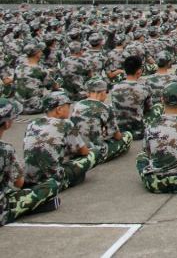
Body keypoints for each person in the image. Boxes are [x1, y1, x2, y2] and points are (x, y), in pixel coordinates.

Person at [1, 97, 60, 226]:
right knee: (51, 185)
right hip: (2, 209)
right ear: (7, 124)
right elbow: (18, 183)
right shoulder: (6, 150)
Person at [23, 91, 96, 190]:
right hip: (52, 179)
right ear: (59, 109)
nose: (69, 110)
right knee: (94, 153)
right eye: (68, 107)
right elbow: (83, 151)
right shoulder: (66, 124)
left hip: (30, 178)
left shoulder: (32, 123)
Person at [70, 78, 133, 164]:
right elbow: (117, 136)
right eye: (106, 92)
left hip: (80, 148)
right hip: (97, 152)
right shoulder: (105, 108)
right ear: (102, 92)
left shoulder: (77, 105)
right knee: (127, 135)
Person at [110, 55, 154, 140]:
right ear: (139, 71)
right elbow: (149, 109)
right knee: (158, 108)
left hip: (121, 131)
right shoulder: (144, 88)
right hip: (138, 132)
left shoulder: (114, 88)